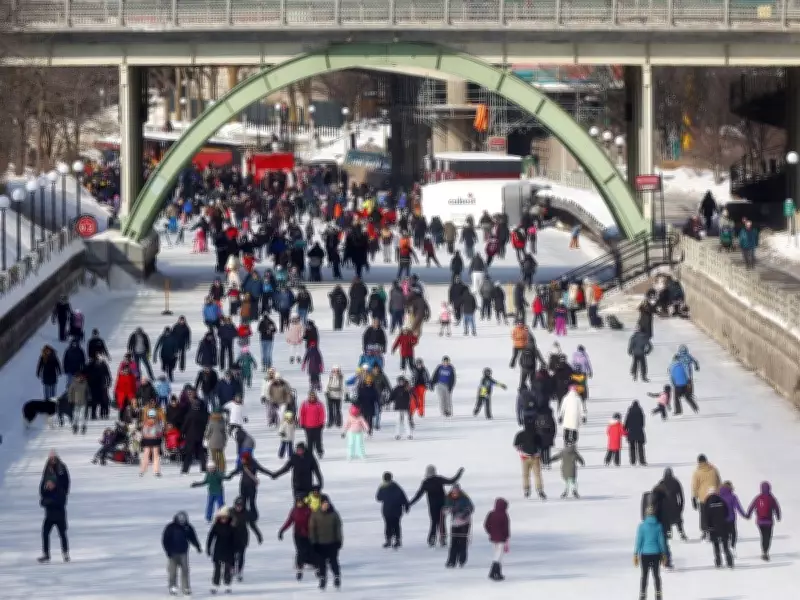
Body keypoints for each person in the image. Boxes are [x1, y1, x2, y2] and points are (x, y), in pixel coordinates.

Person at [39, 452, 70, 563]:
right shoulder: (47, 469)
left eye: (53, 458)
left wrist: (50, 500)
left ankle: (65, 553)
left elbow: (66, 482)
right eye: (50, 458)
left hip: (59, 514)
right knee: (45, 533)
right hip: (49, 515)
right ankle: (46, 554)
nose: (51, 459)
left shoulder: (61, 469)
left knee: (62, 534)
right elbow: (42, 496)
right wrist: (44, 494)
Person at [162, 511, 202, 596]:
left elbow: (193, 537)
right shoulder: (171, 527)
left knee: (185, 570)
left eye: (183, 520)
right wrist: (168, 551)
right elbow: (165, 540)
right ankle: (172, 586)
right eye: (180, 520)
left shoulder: (188, 527)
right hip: (172, 553)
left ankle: (186, 587)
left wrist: (197, 546)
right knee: (172, 571)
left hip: (183, 552)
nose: (182, 522)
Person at [309, 495, 343, 590]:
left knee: (333, 561)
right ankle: (322, 579)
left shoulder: (334, 514)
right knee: (321, 563)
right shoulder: (315, 514)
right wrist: (313, 542)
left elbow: (338, 528)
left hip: (332, 543)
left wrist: (339, 540)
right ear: (321, 504)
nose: (325, 505)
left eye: (327, 503)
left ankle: (337, 577)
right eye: (324, 503)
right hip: (320, 544)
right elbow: (312, 529)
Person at [634, 505, 668, 599]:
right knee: (656, 575)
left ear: (646, 514)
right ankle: (658, 594)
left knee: (644, 575)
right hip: (656, 554)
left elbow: (639, 541)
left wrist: (635, 554)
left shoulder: (642, 526)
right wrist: (664, 553)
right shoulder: (658, 526)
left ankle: (642, 595)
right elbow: (661, 541)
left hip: (645, 554)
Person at [278, 495, 314, 580]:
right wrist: (282, 530)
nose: (299, 503)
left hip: (308, 534)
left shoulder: (308, 510)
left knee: (309, 550)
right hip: (297, 534)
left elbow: (314, 521)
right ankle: (299, 567)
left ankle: (313, 564)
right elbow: (289, 521)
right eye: (298, 502)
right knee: (300, 550)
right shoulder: (294, 511)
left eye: (301, 502)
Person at [745, 481, 781, 561]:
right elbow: (777, 508)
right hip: (769, 522)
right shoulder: (771, 498)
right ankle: (765, 552)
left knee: (763, 536)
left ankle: (764, 552)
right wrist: (778, 517)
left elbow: (751, 506)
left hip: (760, 522)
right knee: (767, 537)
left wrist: (748, 515)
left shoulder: (758, 498)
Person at [230, 496, 264, 581]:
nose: (238, 507)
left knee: (241, 555)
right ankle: (232, 568)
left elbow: (253, 525)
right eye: (237, 506)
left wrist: (259, 535)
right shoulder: (230, 512)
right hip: (232, 537)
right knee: (231, 554)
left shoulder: (246, 513)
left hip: (243, 537)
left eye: (240, 506)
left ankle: (239, 571)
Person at [206, 507, 236, 594]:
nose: (224, 519)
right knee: (217, 569)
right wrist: (208, 548)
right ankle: (215, 585)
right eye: (222, 517)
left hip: (229, 550)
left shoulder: (231, 526)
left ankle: (227, 585)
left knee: (227, 569)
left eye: (225, 517)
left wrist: (236, 550)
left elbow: (236, 539)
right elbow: (210, 537)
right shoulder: (216, 526)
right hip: (218, 550)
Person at [376, 471, 410, 549]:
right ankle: (397, 540)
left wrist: (385, 497)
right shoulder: (396, 486)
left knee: (388, 525)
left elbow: (378, 498)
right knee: (396, 525)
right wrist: (406, 506)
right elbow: (403, 497)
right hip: (396, 509)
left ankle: (389, 540)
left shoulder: (382, 487)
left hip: (387, 509)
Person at [444, 484, 474, 567]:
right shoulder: (449, 498)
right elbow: (446, 508)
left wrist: (464, 513)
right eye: (453, 492)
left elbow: (471, 507)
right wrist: (448, 510)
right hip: (454, 523)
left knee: (463, 541)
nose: (455, 493)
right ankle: (451, 561)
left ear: (459, 491)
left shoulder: (464, 498)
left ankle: (462, 560)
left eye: (456, 491)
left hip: (464, 523)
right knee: (453, 542)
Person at [691, 454, 721, 538]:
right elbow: (719, 482)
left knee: (704, 515)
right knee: (714, 514)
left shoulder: (697, 472)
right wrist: (719, 494)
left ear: (699, 462)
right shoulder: (714, 470)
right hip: (714, 496)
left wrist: (694, 497)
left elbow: (695, 486)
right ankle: (715, 530)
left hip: (703, 498)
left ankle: (705, 532)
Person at [703, 486, 734, 568]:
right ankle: (730, 561)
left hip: (713, 527)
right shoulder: (721, 500)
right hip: (723, 526)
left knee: (716, 545)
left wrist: (708, 526)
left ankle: (718, 561)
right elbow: (727, 512)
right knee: (725, 545)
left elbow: (706, 515)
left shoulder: (708, 501)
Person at [513, 422, 545, 499]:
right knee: (537, 475)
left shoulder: (520, 434)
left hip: (524, 457)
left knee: (525, 475)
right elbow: (541, 446)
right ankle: (539, 490)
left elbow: (515, 444)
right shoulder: (537, 435)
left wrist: (521, 450)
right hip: (535, 458)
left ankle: (526, 490)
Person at [483, 498, 510, 581]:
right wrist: (506, 536)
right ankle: (493, 573)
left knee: (496, 554)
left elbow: (486, 525)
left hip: (493, 538)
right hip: (501, 538)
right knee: (498, 556)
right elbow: (506, 528)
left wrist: (490, 532)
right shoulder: (504, 515)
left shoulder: (491, 513)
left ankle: (497, 573)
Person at [299, 392, 325, 458]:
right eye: (311, 396)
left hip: (317, 426)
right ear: (308, 396)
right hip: (308, 426)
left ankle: (319, 451)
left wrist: (321, 423)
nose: (312, 397)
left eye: (313, 396)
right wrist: (302, 423)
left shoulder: (319, 404)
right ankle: (309, 454)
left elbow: (322, 414)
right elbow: (302, 414)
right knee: (309, 441)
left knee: (318, 440)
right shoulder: (305, 404)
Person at [624, 400, 647, 466]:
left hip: (631, 432)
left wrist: (625, 429)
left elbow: (626, 422)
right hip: (639, 431)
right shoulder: (640, 412)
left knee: (632, 447)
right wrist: (640, 427)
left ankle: (633, 461)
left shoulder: (630, 412)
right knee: (640, 447)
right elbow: (643, 423)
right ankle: (642, 461)